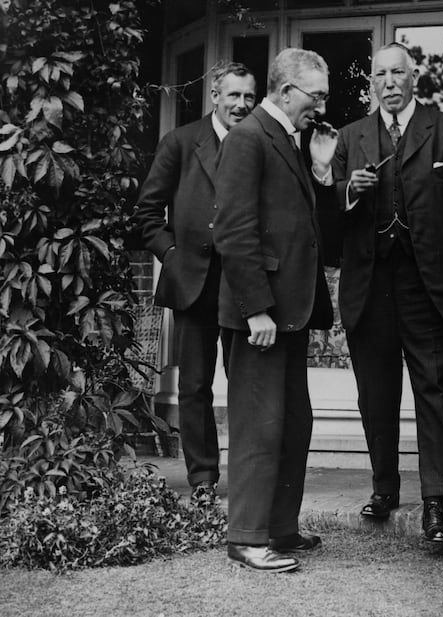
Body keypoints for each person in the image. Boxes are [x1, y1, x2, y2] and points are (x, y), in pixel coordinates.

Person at [326, 43, 443, 542]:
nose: (389, 82)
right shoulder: (351, 136)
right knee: (376, 394)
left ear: (415, 78)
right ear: (372, 83)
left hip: (427, 284)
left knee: (434, 390)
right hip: (370, 284)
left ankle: (435, 502)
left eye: (398, 73)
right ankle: (384, 487)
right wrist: (351, 191)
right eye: (380, 75)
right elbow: (329, 208)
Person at [213, 48, 335, 572]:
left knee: (292, 423)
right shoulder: (249, 138)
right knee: (260, 425)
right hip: (261, 315)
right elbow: (234, 230)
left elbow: (304, 227)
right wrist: (256, 308)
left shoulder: (286, 138)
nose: (322, 107)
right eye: (317, 96)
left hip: (288, 313)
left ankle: (279, 529)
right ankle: (245, 536)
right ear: (286, 91)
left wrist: (323, 172)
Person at [133, 61, 256, 504]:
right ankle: (203, 479)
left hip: (245, 285)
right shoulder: (181, 143)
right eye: (234, 95)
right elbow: (147, 215)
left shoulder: (260, 143)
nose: (241, 105)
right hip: (194, 285)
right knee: (194, 385)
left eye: (249, 97)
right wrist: (173, 255)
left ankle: (248, 478)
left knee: (246, 384)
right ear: (215, 97)